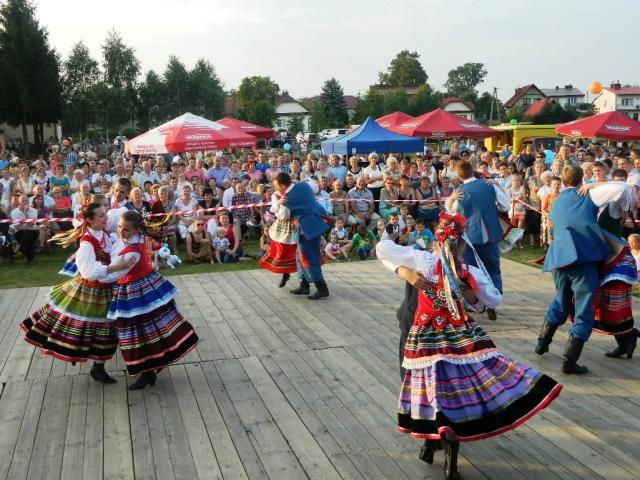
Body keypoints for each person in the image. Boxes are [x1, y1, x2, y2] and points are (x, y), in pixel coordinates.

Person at [377, 213, 562, 480]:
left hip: (425, 338)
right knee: (452, 394)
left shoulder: (422, 259)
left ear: (437, 241)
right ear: (462, 245)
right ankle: (443, 456)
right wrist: (469, 293)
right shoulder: (464, 270)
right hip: (456, 339)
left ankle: (430, 444)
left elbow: (382, 247)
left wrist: (468, 294)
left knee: (428, 390)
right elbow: (494, 299)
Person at [20, 202, 134, 383]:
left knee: (106, 331)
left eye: (105, 214)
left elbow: (121, 217)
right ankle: (96, 367)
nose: (106, 218)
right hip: (92, 289)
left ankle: (99, 367)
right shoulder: (87, 242)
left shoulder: (102, 232)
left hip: (106, 287)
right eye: (101, 215)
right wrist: (116, 267)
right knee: (90, 329)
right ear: (90, 220)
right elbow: (88, 271)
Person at [536, 166, 628, 374]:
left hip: (560, 257)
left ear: (563, 181)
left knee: (560, 300)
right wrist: (595, 185)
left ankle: (542, 343)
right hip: (583, 256)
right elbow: (622, 187)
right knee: (584, 308)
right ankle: (569, 361)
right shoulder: (587, 194)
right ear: (581, 181)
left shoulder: (557, 199)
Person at [107, 211, 199, 389]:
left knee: (138, 332)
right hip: (142, 286)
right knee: (145, 330)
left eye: (126, 229)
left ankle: (147, 371)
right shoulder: (136, 238)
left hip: (136, 291)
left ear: (136, 229)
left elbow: (112, 274)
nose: (121, 232)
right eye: (119, 227)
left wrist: (92, 271)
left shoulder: (132, 251)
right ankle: (149, 370)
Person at [447, 161, 509, 321]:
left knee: (471, 271)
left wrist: (451, 199)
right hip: (490, 233)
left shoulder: (459, 192)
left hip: (470, 237)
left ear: (459, 175)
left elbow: (451, 214)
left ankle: (475, 303)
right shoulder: (489, 184)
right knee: (492, 268)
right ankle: (493, 301)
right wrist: (497, 186)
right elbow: (505, 206)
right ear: (473, 171)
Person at [275, 172, 330, 299]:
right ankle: (304, 285)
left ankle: (322, 288)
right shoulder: (304, 185)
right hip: (315, 221)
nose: (276, 188)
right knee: (300, 256)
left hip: (307, 228)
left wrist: (279, 204)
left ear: (282, 185)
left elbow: (283, 216)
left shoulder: (287, 198)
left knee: (309, 258)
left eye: (277, 185)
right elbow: (315, 187)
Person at [258, 185, 298, 287]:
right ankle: (285, 273)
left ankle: (304, 281)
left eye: (277, 185)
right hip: (282, 226)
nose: (276, 187)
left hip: (295, 223)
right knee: (282, 250)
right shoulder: (276, 195)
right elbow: (276, 210)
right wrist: (279, 203)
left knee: (297, 250)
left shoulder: (294, 191)